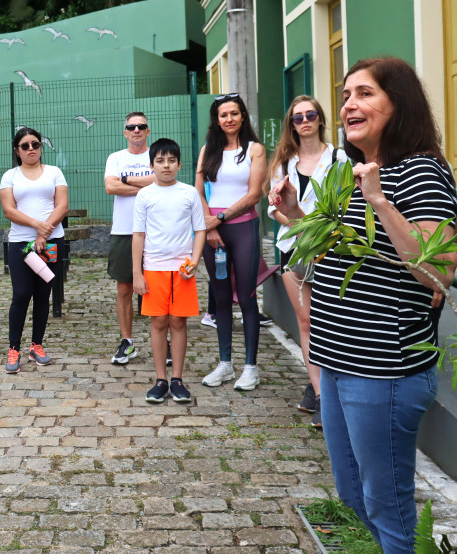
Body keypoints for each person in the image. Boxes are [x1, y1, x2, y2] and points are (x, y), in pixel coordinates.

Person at [273, 57, 457, 553]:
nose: (349, 103)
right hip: (337, 361)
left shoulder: (422, 171)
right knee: (355, 498)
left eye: (365, 93)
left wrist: (379, 201)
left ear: (399, 103)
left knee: (388, 506)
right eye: (347, 94)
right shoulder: (355, 172)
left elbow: (437, 271)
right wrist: (294, 217)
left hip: (383, 370)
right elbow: (337, 252)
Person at [266, 96, 347, 428]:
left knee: (333, 323)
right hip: (294, 248)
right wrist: (297, 226)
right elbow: (273, 207)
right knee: (306, 323)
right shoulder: (283, 165)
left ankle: (325, 387)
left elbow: (346, 204)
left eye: (310, 114)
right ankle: (322, 397)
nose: (304, 121)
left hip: (331, 249)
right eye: (297, 117)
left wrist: (317, 229)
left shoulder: (340, 159)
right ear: (292, 124)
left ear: (320, 119)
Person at [195, 94, 267, 390]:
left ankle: (250, 367)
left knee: (247, 297)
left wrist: (219, 219)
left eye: (234, 113)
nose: (229, 119)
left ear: (243, 116)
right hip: (213, 232)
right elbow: (197, 192)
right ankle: (225, 364)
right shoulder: (207, 151)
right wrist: (209, 228)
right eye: (223, 115)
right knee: (221, 297)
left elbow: (254, 195)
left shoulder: (255, 149)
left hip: (243, 228)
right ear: (216, 120)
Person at [132, 139, 205, 403]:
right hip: (154, 269)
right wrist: (138, 273)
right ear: (152, 165)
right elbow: (138, 236)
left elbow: (200, 230)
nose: (166, 166)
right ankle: (160, 379)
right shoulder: (145, 195)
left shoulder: (189, 193)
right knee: (159, 322)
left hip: (183, 270)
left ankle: (178, 379)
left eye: (171, 160)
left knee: (178, 322)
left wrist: (195, 261)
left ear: (179, 164)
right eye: (160, 161)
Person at [0, 127, 68, 373]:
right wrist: (36, 226)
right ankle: (13, 347)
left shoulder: (54, 172)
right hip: (21, 244)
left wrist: (43, 232)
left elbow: (62, 205)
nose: (31, 149)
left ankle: (36, 345)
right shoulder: (10, 176)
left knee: (42, 294)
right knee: (21, 294)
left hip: (50, 241)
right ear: (17, 150)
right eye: (25, 145)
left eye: (35, 144)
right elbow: (9, 210)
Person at [105, 112, 154, 365]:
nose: (136, 130)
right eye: (131, 127)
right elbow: (110, 187)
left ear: (148, 131)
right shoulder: (116, 158)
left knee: (156, 288)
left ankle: (163, 341)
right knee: (124, 288)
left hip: (156, 231)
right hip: (124, 230)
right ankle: (127, 342)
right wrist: (146, 185)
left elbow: (162, 179)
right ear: (125, 132)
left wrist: (125, 180)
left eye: (141, 126)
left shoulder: (156, 154)